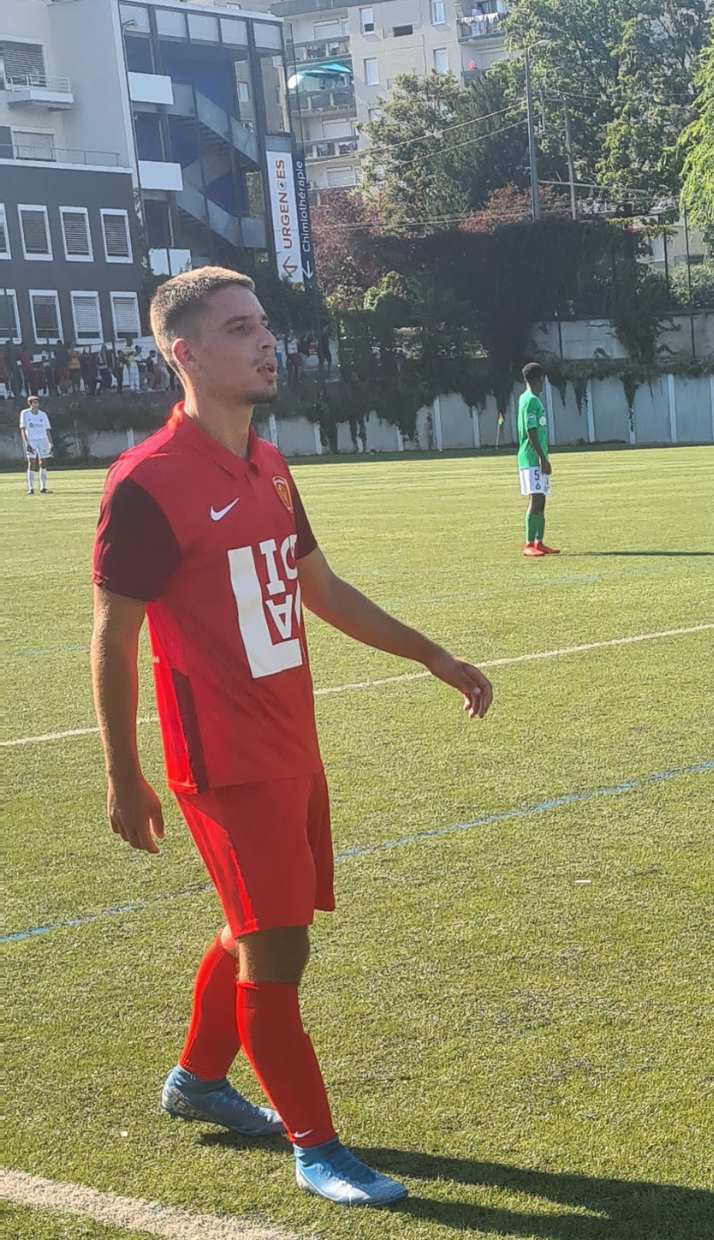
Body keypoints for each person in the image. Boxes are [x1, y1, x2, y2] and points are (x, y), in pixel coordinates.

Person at [89, 266, 493, 1208]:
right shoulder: (147, 482)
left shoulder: (269, 464)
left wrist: (430, 653)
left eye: (265, 324)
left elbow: (320, 586)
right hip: (223, 761)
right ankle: (318, 1147)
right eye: (240, 329)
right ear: (183, 353)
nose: (267, 341)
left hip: (291, 743)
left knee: (249, 924)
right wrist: (123, 773)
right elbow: (115, 633)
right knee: (280, 950)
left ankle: (197, 1082)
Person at [517, 362, 559, 556]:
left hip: (537, 458)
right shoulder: (531, 401)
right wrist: (542, 458)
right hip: (532, 459)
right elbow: (530, 430)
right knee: (535, 499)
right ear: (539, 379)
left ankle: (539, 542)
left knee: (541, 499)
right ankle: (528, 544)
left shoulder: (526, 399)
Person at [20, 394, 51, 494]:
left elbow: (47, 430)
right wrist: (26, 443)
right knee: (31, 462)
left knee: (43, 462)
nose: (36, 405)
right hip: (31, 440)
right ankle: (31, 488)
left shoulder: (43, 415)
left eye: (37, 403)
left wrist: (50, 443)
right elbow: (23, 429)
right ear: (30, 404)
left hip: (42, 440)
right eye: (34, 403)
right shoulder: (25, 413)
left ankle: (43, 487)